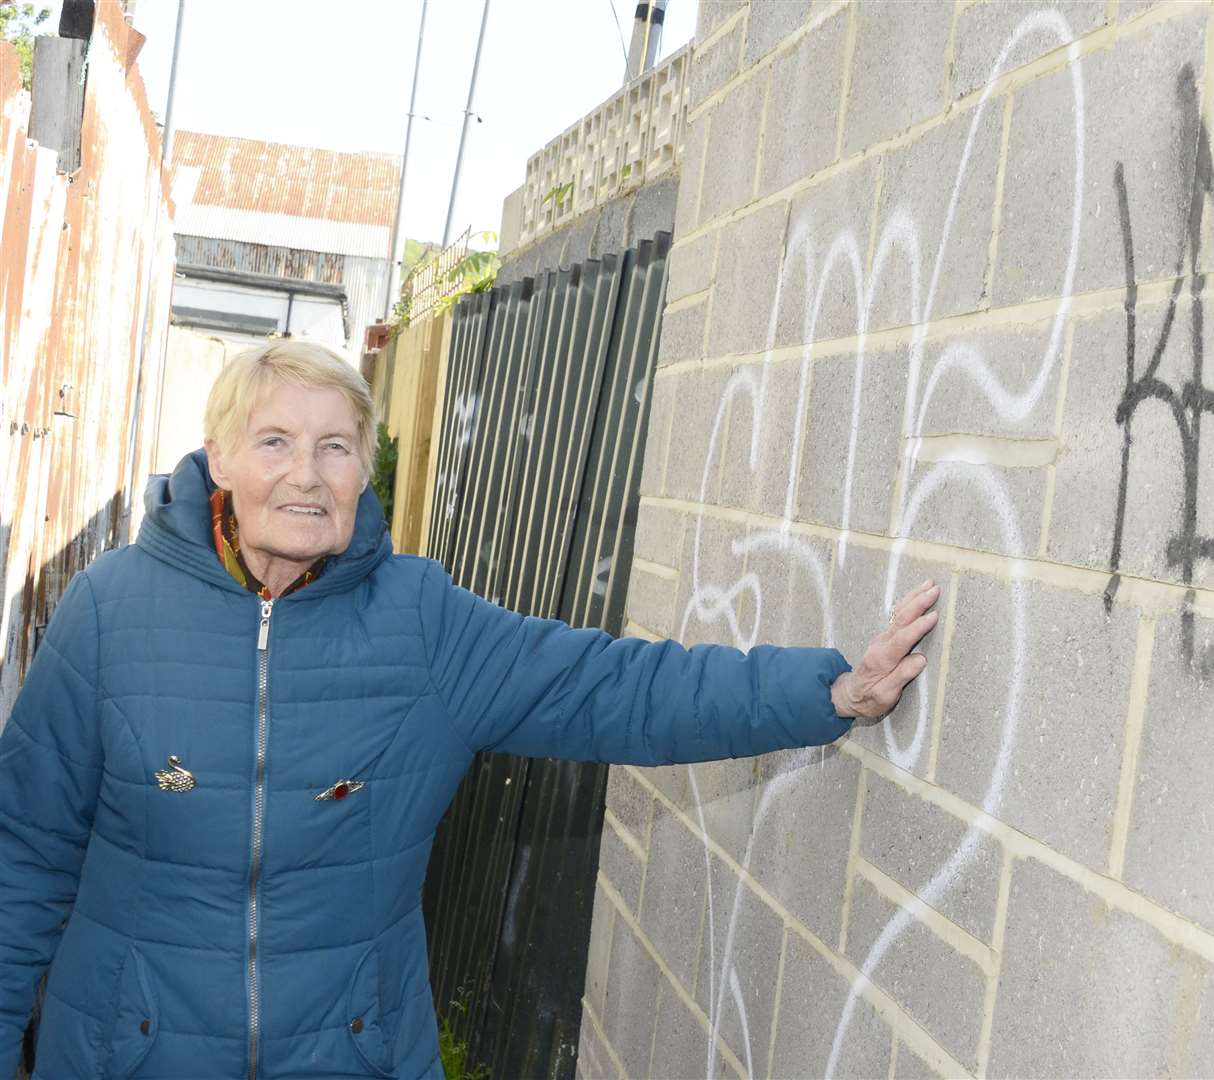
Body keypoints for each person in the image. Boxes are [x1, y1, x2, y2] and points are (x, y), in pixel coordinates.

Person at [0, 341, 939, 1079]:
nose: (306, 474)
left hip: (354, 1054)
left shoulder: (421, 622)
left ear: (366, 471)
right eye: (275, 442)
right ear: (220, 460)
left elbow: (613, 688)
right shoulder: (112, 611)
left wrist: (826, 693)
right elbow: (23, 860)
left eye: (336, 447)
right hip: (124, 1054)